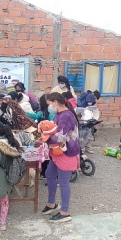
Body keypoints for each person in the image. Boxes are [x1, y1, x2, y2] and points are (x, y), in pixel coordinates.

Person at [40, 92, 80, 223]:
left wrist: (45, 138)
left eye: (50, 104)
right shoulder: (59, 114)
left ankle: (65, 212)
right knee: (49, 174)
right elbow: (54, 129)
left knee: (63, 182)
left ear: (55, 102)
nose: (49, 106)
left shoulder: (66, 115)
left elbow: (60, 137)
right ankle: (52, 204)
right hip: (57, 151)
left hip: (66, 151)